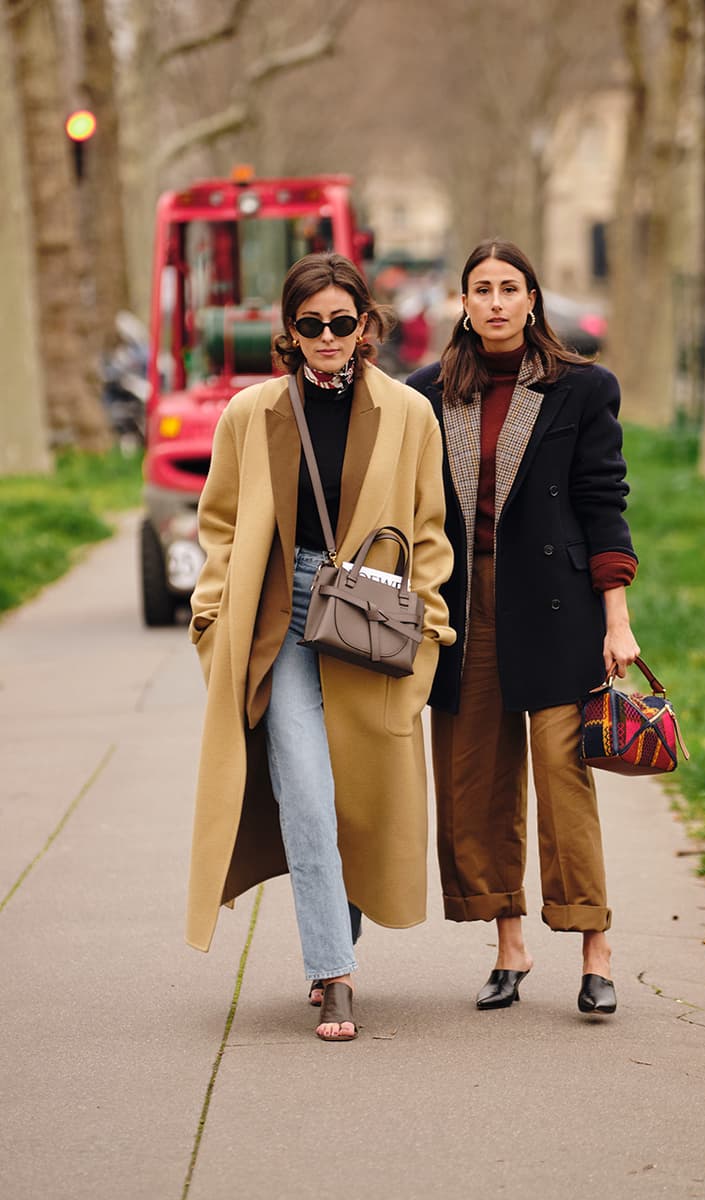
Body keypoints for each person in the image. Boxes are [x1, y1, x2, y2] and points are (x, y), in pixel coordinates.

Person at [186, 253, 454, 1041]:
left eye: (342, 322)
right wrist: (211, 618)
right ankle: (332, 973)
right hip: (279, 617)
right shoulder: (251, 412)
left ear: (365, 325)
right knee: (303, 787)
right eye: (312, 325)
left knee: (360, 792)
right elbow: (221, 525)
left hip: (372, 613)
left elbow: (430, 529)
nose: (328, 336)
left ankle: (343, 914)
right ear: (290, 332)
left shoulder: (408, 412)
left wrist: (429, 627)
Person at [407, 239, 640, 1015]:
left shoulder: (581, 388)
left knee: (562, 778)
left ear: (533, 299)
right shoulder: (429, 393)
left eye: (511, 288)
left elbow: (604, 503)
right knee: (473, 779)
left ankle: (594, 948)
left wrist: (618, 620)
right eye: (483, 289)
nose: (498, 302)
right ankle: (508, 943)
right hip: (462, 605)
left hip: (557, 604)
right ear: (463, 303)